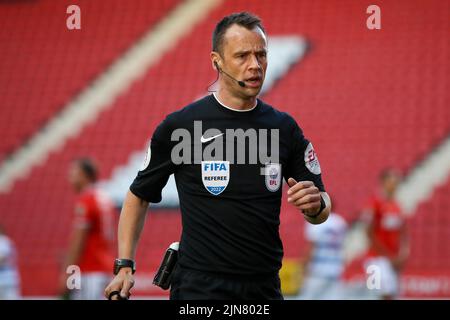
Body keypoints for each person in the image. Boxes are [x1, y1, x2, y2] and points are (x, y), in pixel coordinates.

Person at [105, 12, 331, 300]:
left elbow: (322, 207)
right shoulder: (182, 127)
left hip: (263, 288)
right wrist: (125, 265)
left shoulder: (284, 128)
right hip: (199, 288)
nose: (255, 65)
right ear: (217, 61)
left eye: (261, 55)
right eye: (242, 56)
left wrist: (315, 206)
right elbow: (139, 195)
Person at [59, 158, 116, 300]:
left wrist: (67, 271)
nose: (70, 178)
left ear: (85, 175)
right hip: (105, 265)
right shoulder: (104, 198)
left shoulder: (86, 200)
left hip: (90, 269)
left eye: (74, 173)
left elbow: (78, 239)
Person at [361, 168, 409, 299]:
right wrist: (389, 256)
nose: (395, 185)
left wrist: (402, 254)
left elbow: (403, 233)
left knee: (392, 295)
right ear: (383, 182)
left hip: (392, 261)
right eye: (392, 181)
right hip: (375, 260)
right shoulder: (374, 204)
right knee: (376, 295)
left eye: (396, 182)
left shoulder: (397, 206)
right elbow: (368, 233)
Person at [298, 208, 348, 300]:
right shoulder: (340, 222)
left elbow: (312, 247)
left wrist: (304, 266)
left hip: (318, 270)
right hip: (336, 269)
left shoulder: (315, 221)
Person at [0, 225, 21, 300]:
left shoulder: (2, 241)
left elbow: (2, 259)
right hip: (8, 277)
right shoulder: (6, 241)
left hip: (5, 278)